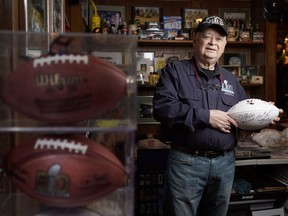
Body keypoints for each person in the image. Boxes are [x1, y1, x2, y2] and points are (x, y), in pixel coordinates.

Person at [153, 16, 282, 216]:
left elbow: (241, 120)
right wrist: (206, 116)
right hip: (187, 162)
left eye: (219, 39)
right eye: (207, 36)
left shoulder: (231, 79)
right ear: (195, 40)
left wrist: (263, 117)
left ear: (224, 45)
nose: (213, 42)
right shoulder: (175, 71)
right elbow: (163, 109)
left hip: (225, 163)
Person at [276, 40, 288, 114]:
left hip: (281, 80)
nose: (278, 50)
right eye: (277, 48)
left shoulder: (283, 58)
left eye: (279, 49)